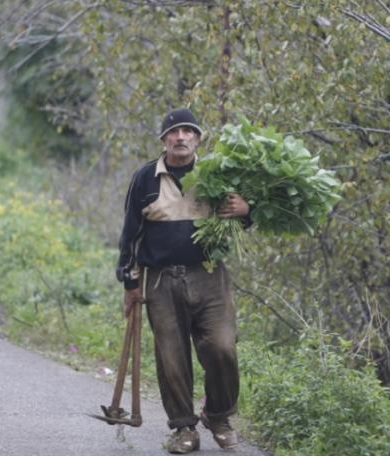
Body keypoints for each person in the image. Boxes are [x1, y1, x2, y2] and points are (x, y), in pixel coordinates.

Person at [116, 107, 250, 454]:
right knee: (171, 358)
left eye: (187, 131)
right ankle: (183, 429)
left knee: (222, 347)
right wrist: (130, 283)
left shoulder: (214, 175)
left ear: (197, 139)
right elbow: (130, 235)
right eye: (173, 132)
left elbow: (245, 215)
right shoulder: (145, 179)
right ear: (163, 140)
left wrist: (246, 211)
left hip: (210, 277)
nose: (180, 137)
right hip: (160, 282)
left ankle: (218, 416)